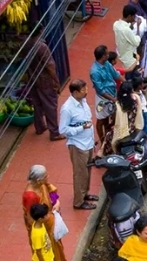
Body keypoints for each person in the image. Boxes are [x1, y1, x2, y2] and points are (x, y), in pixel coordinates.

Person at [58, 80, 98, 210]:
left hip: (88, 143)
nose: (86, 91)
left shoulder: (83, 101)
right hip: (78, 145)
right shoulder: (67, 109)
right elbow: (63, 130)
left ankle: (85, 193)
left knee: (87, 171)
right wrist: (81, 128)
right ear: (75, 92)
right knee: (80, 173)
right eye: (83, 90)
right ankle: (78, 202)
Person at [22, 166, 67, 261]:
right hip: (46, 228)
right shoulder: (30, 196)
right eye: (46, 176)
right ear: (38, 180)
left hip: (50, 224)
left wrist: (57, 202)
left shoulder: (41, 184)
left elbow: (51, 192)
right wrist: (47, 219)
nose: (48, 178)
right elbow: (31, 219)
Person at [24, 36, 63, 140]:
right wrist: (56, 80)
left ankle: (39, 126)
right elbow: (50, 65)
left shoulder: (26, 43)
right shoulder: (41, 46)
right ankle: (54, 133)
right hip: (44, 80)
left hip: (32, 79)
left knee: (37, 103)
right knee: (50, 105)